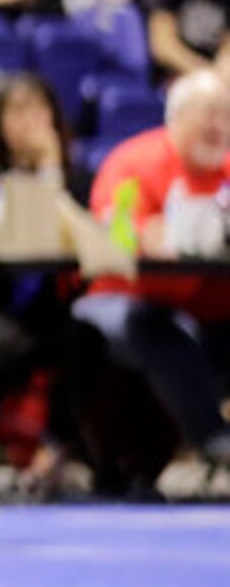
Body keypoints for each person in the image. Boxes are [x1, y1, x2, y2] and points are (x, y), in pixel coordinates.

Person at [72, 71, 230, 472]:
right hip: (124, 298)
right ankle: (215, 441)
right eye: (209, 113)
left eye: (226, 115)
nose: (218, 126)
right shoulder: (133, 161)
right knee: (163, 331)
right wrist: (148, 235)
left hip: (209, 305)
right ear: (176, 117)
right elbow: (116, 235)